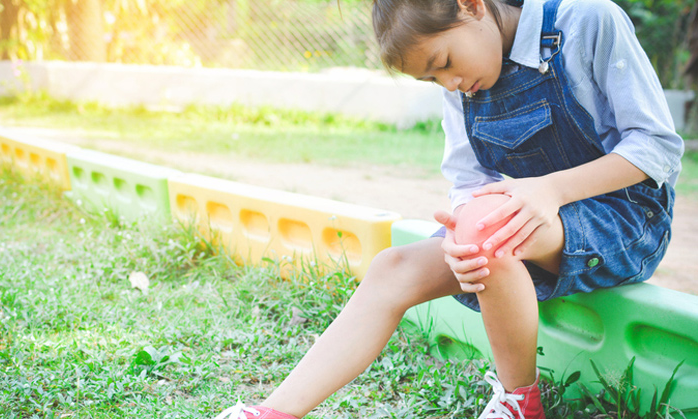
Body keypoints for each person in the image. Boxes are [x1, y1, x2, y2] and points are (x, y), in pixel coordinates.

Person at [214, 0, 683, 417]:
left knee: (485, 230)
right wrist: (462, 233)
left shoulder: (588, 20)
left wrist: (548, 192)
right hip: (538, 224)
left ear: (472, 5)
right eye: (433, 78)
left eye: (445, 63)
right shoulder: (462, 84)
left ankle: (521, 402)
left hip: (628, 220)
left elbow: (657, 146)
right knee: (393, 266)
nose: (452, 83)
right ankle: (274, 411)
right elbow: (467, 182)